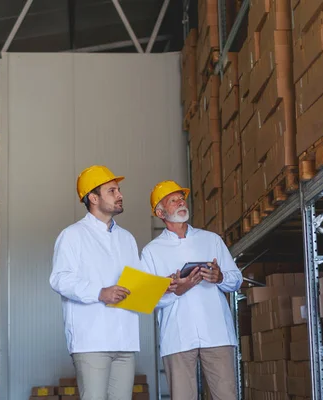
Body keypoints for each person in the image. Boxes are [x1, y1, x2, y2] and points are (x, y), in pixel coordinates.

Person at [141, 180, 243, 400]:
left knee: (226, 395)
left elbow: (236, 280)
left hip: (216, 333)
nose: (181, 203)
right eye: (173, 200)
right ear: (160, 212)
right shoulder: (151, 252)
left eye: (181, 198)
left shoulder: (211, 240)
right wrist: (174, 291)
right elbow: (145, 299)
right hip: (177, 337)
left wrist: (220, 277)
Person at [50, 165, 140, 400]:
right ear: (93, 197)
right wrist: (100, 293)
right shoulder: (73, 235)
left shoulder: (127, 238)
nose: (120, 195)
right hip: (92, 340)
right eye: (112, 191)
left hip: (125, 339)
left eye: (119, 190)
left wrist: (161, 285)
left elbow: (136, 282)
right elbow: (60, 279)